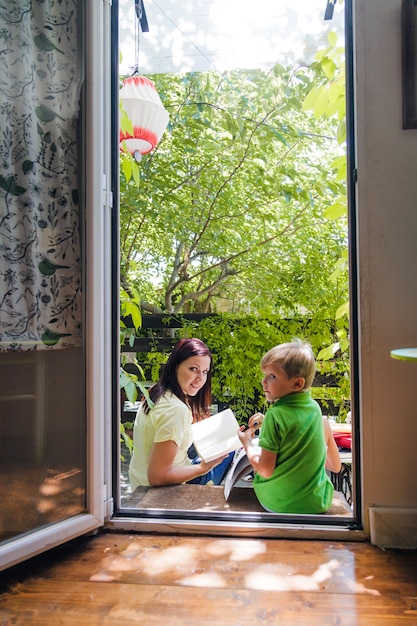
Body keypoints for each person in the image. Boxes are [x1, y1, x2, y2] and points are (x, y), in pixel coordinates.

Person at [237, 339, 334, 514]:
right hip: (316, 504)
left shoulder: (276, 415)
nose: (263, 381)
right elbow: (296, 427)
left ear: (297, 383)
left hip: (278, 505)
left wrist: (247, 445)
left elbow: (265, 471)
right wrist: (267, 421)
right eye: (265, 374)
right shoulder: (314, 408)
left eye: (272, 376)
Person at [129, 337, 233, 490]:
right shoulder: (176, 410)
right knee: (232, 448)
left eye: (205, 372)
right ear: (176, 366)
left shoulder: (157, 392)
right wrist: (202, 468)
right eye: (193, 369)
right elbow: (157, 476)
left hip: (139, 480)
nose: (200, 379)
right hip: (165, 491)